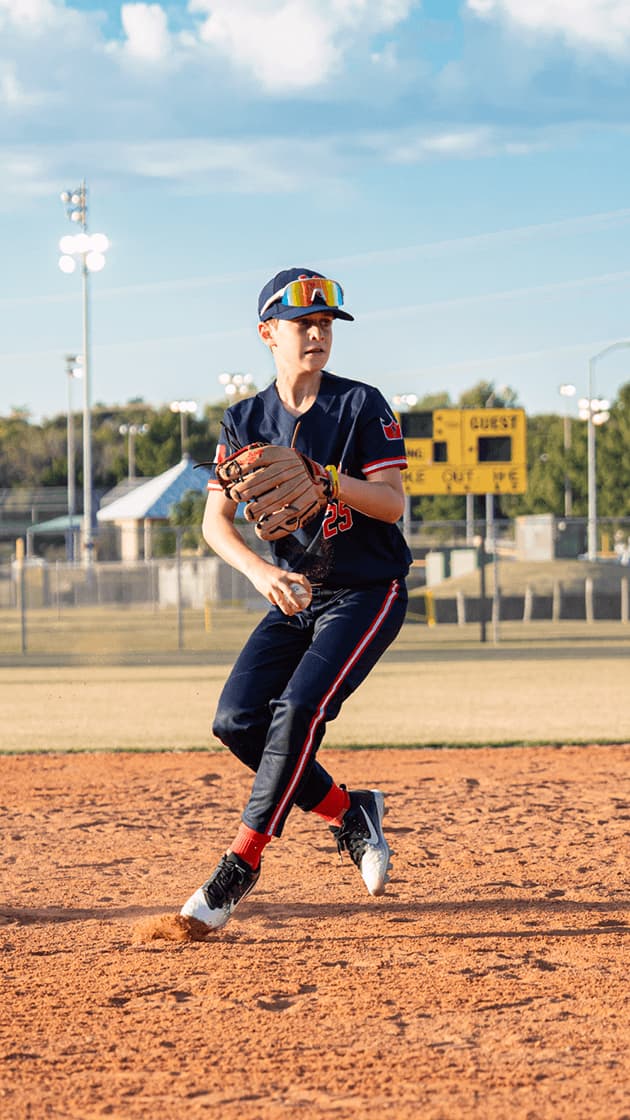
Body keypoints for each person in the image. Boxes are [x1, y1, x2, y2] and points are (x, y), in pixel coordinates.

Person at [180, 267, 412, 930]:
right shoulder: (245, 419)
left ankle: (237, 868)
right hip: (295, 592)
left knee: (299, 708)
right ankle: (349, 811)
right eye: (302, 323)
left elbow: (393, 505)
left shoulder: (360, 405)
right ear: (267, 333)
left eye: (326, 323)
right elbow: (214, 522)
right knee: (237, 721)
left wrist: (325, 478)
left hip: (368, 590)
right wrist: (259, 573)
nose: (317, 333)